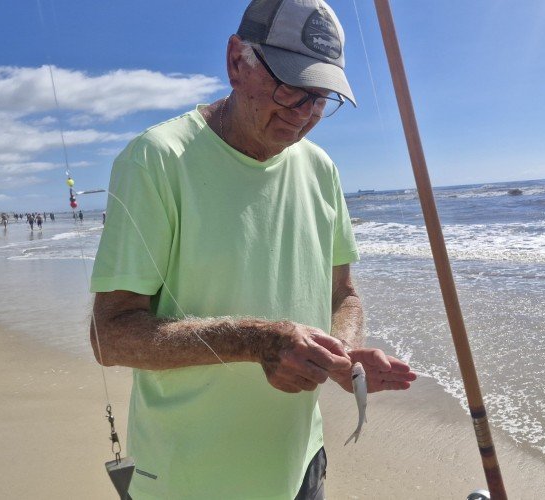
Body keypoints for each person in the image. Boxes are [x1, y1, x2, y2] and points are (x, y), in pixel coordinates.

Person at [89, 1, 415, 498]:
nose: (302, 115)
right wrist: (257, 340)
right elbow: (110, 337)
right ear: (237, 60)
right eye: (290, 88)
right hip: (189, 478)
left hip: (301, 464)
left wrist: (341, 354)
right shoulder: (155, 160)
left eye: (320, 98)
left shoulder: (321, 169)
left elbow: (343, 293)